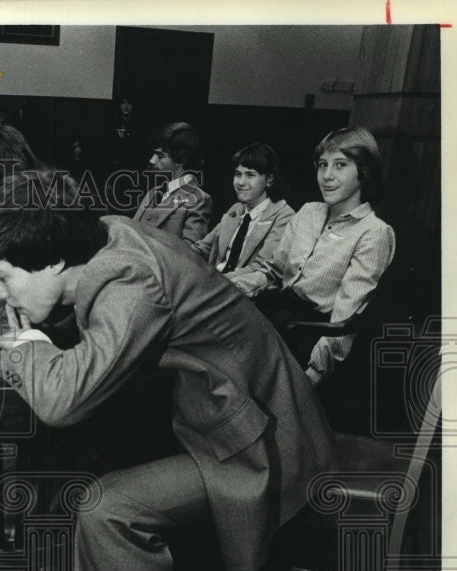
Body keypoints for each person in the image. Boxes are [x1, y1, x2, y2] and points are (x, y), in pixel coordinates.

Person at [0, 169, 335, 571]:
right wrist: (24, 330)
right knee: (89, 467)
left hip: (256, 442)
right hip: (212, 414)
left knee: (105, 508)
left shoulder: (129, 277)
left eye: (2, 277)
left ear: (53, 259)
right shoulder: (100, 240)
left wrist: (24, 347)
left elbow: (63, 401)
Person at [228, 126, 395, 385]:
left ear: (363, 172)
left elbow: (345, 318)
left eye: (340, 165)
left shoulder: (374, 232)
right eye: (322, 164)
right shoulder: (308, 212)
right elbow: (273, 272)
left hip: (311, 335)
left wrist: (314, 373)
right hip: (276, 314)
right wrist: (228, 285)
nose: (327, 176)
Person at [192, 143, 294, 274]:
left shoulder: (283, 215)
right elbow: (203, 248)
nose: (240, 182)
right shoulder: (235, 210)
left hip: (242, 289)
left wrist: (215, 283)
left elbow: (261, 268)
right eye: (237, 174)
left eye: (250, 175)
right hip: (213, 281)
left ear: (269, 180)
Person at [132, 122, 212, 244]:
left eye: (160, 156)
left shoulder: (199, 199)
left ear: (181, 160)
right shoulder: (153, 192)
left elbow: (189, 254)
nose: (152, 161)